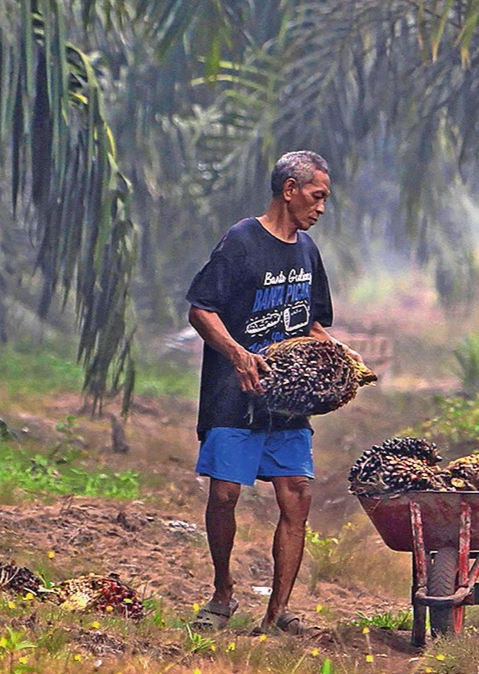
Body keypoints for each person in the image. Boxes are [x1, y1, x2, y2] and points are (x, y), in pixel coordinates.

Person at [187, 149, 353, 636]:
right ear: (290, 190)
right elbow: (201, 309)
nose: (321, 208)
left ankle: (278, 613)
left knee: (297, 493)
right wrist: (238, 355)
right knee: (224, 494)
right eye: (317, 196)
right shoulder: (241, 241)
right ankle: (222, 594)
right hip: (234, 390)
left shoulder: (307, 251)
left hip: (288, 399)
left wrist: (343, 359)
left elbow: (314, 323)